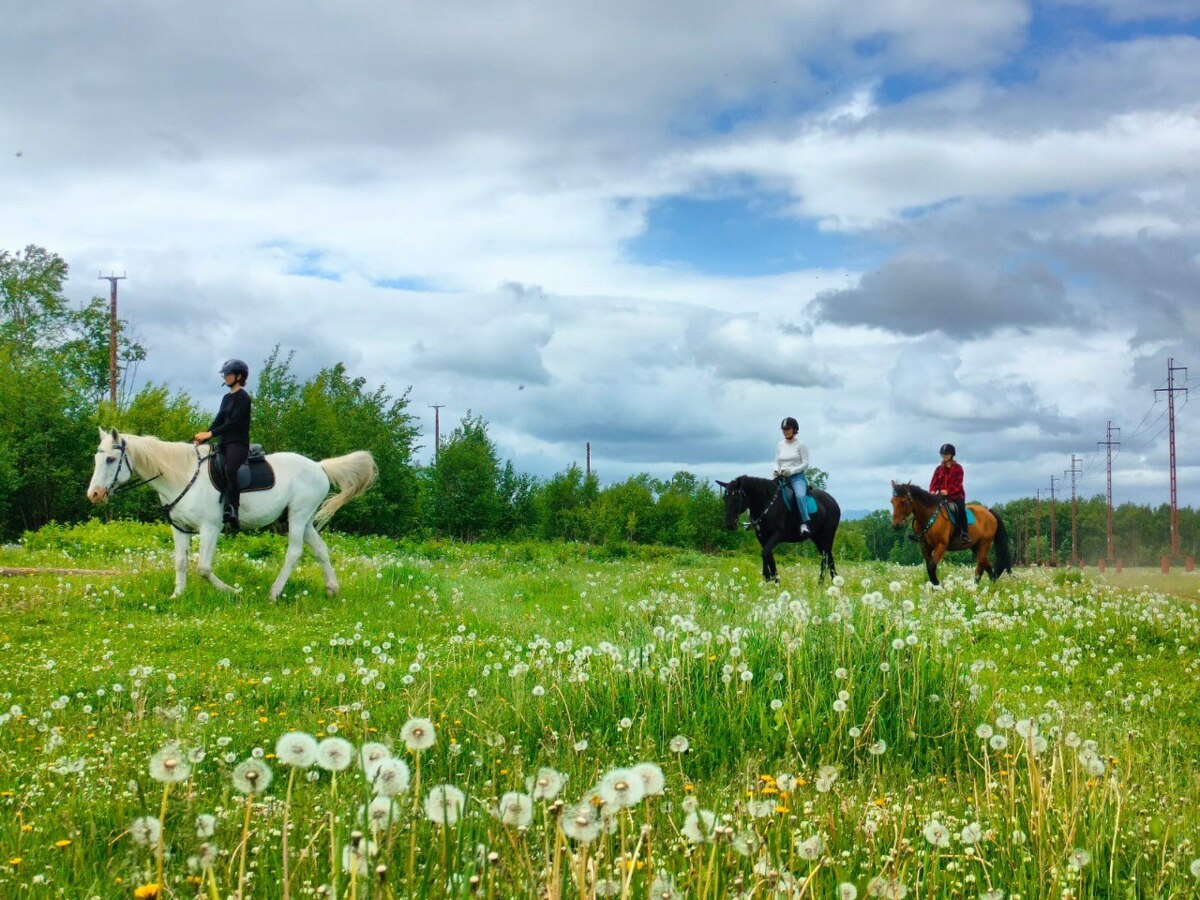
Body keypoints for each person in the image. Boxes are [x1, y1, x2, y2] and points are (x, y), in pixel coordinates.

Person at [194, 359, 252, 533]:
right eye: (225, 374)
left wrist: (211, 434)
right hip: (223, 442)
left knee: (230, 469)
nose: (225, 377)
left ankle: (233, 508)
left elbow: (234, 423)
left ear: (239, 376)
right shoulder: (226, 397)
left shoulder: (244, 398)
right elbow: (219, 419)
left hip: (238, 443)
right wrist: (203, 437)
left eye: (229, 374)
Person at [774, 416, 811, 535]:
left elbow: (805, 463)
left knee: (800, 496)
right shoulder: (780, 444)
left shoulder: (801, 445)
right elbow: (777, 461)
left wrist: (792, 471)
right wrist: (775, 470)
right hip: (781, 477)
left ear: (794, 429)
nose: (785, 431)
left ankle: (804, 523)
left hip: (797, 478)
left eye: (787, 429)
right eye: (783, 429)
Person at [929, 442, 970, 545]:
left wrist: (948, 492)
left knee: (960, 510)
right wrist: (932, 491)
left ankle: (964, 533)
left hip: (956, 496)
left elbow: (958, 484)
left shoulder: (958, 468)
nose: (944, 456)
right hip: (940, 497)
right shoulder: (938, 469)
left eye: (946, 454)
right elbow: (934, 482)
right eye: (943, 454)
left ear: (952, 455)